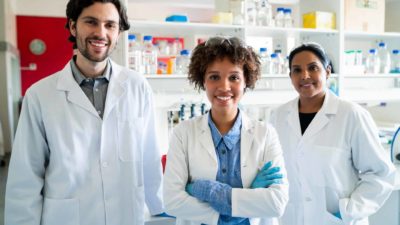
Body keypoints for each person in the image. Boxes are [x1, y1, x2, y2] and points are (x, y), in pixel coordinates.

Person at [5, 0, 164, 224]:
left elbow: (150, 158)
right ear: (72, 26)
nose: (101, 32)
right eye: (91, 22)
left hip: (127, 215)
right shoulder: (39, 96)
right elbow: (25, 179)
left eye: (110, 25)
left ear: (118, 32)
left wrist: (158, 209)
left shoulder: (138, 87)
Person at [163, 36, 289, 225]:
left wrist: (211, 191)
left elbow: (277, 203)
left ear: (246, 81)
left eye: (234, 77)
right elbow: (172, 201)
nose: (224, 86)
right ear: (203, 81)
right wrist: (247, 199)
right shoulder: (183, 133)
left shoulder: (265, 134)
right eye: (214, 77)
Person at [269, 42, 396, 225]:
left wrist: (348, 210)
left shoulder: (351, 115)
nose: (305, 76)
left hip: (337, 220)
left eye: (313, 68)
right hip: (291, 218)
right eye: (297, 70)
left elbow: (380, 173)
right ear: (290, 76)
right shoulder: (278, 117)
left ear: (327, 71)